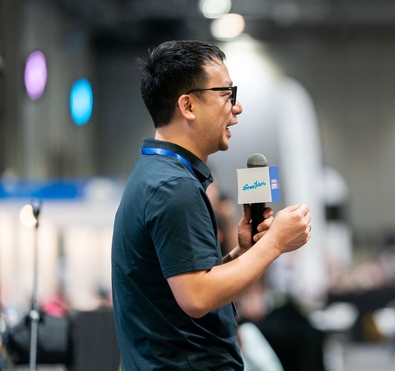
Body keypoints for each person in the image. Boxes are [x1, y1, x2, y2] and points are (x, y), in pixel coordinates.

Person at [111, 40, 312, 370]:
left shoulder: (158, 174)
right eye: (226, 94)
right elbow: (197, 296)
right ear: (188, 106)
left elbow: (187, 282)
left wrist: (243, 253)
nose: (237, 108)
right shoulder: (173, 186)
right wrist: (275, 242)